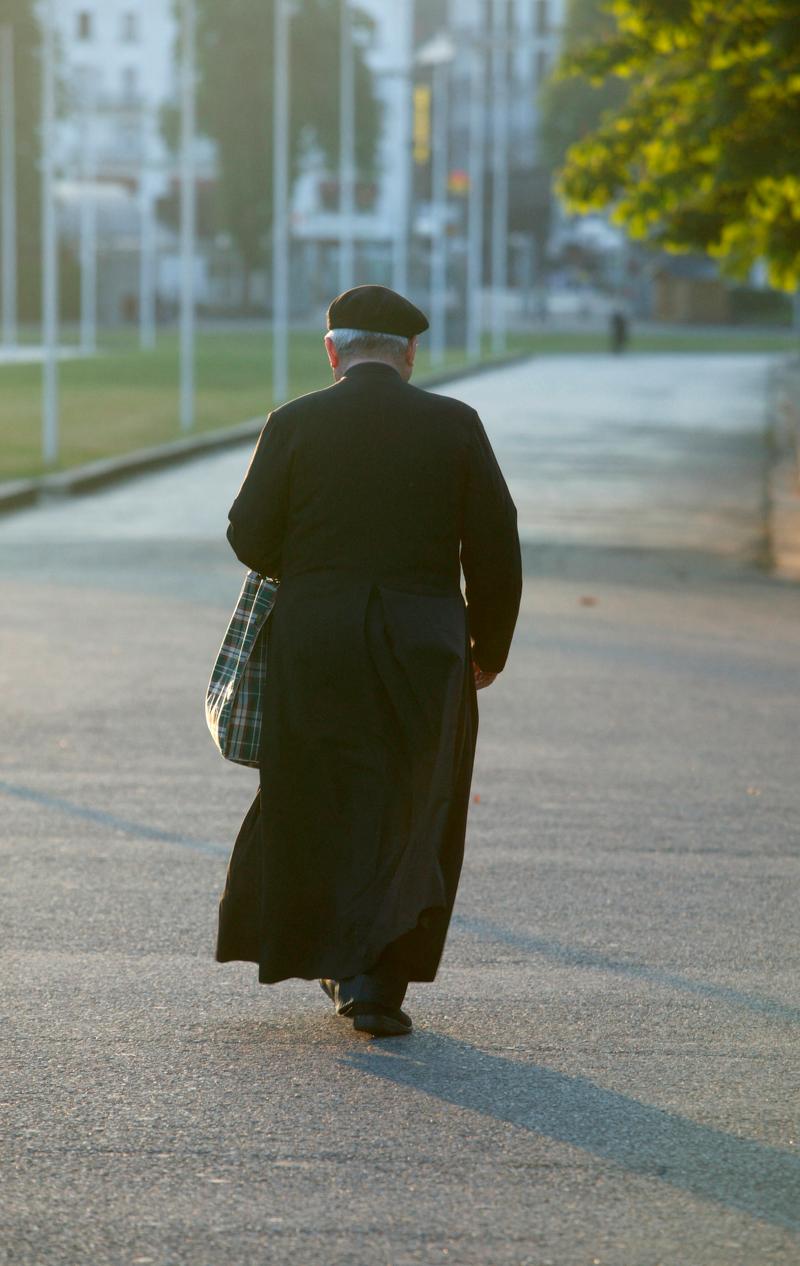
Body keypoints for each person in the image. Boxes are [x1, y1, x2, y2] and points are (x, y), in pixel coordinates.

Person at [217, 284, 522, 1038]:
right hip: (426, 644)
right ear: (409, 355)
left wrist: (319, 567)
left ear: (333, 353)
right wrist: (490, 646)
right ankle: (378, 982)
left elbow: (249, 537)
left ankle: (332, 957)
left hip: (315, 641)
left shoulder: (294, 422)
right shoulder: (456, 425)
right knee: (416, 806)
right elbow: (495, 542)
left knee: (317, 796)